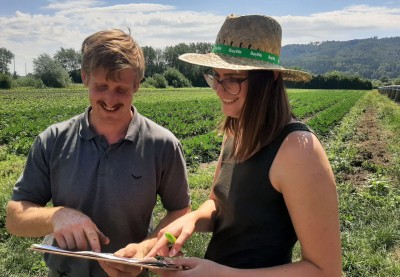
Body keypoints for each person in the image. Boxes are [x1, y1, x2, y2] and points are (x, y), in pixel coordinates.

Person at [138, 14, 341, 276]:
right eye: (216, 77)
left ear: (270, 79)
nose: (220, 90)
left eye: (232, 80)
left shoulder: (298, 149)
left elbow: (325, 270)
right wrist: (190, 220)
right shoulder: (236, 131)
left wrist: (221, 274)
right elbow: (217, 204)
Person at [6, 29, 190, 277]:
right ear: (85, 77)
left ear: (136, 84)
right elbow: (15, 218)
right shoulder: (53, 140)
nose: (110, 99)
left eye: (121, 89)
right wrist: (57, 216)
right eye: (101, 86)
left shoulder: (163, 145)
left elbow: (180, 211)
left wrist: (147, 249)